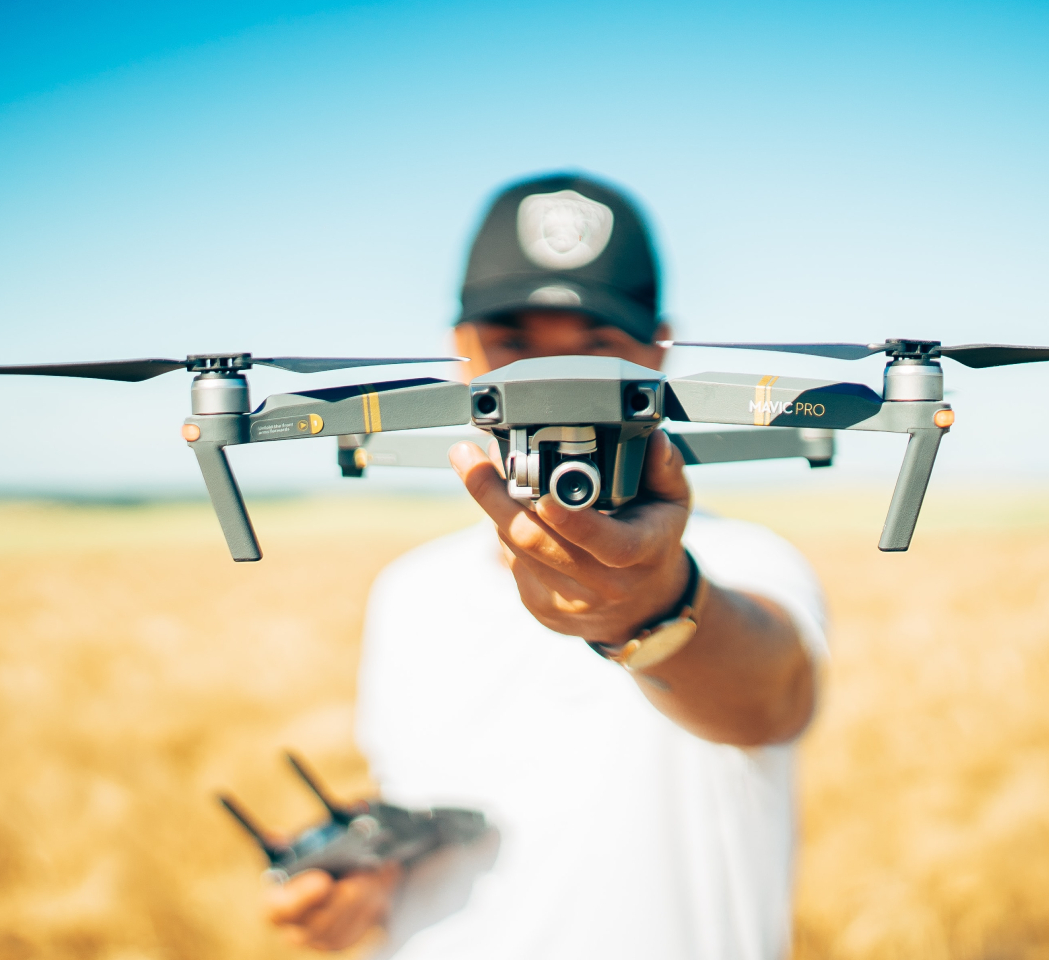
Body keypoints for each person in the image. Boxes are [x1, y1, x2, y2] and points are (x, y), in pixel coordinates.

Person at [264, 174, 827, 958]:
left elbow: (767, 699)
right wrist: (366, 882)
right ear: (458, 349)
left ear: (660, 351)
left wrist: (657, 607)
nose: (555, 386)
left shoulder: (749, 562)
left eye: (597, 348)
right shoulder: (408, 594)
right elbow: (450, 799)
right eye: (516, 346)